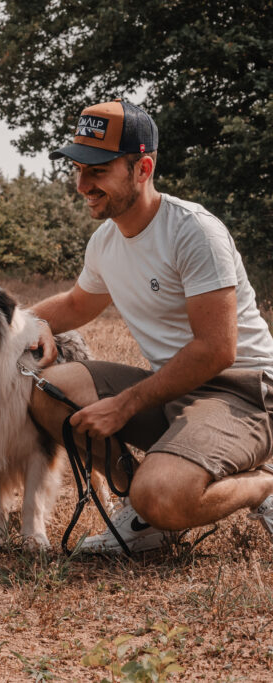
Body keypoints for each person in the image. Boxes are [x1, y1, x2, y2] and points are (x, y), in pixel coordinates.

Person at [29, 98, 273, 553]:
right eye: (78, 169)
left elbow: (217, 350)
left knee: (164, 494)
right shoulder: (105, 241)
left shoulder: (193, 231)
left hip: (243, 392)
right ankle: (146, 512)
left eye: (98, 170)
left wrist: (124, 405)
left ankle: (262, 484)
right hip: (175, 391)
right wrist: (28, 323)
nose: (83, 184)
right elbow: (79, 303)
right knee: (49, 390)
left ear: (142, 169)